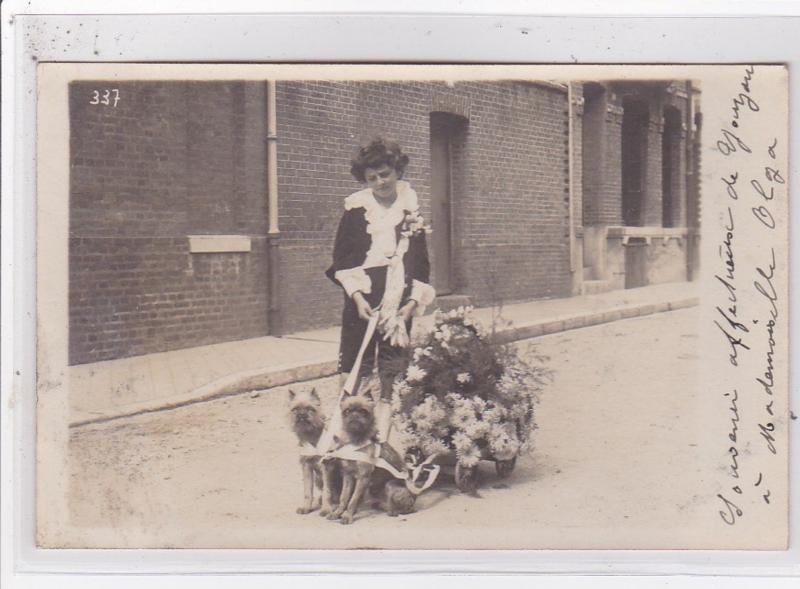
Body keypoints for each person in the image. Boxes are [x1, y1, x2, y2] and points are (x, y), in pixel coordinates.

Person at [325, 138, 436, 443]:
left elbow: (421, 262)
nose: (380, 182)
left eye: (385, 174)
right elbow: (343, 258)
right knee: (354, 362)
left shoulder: (410, 209)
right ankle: (345, 438)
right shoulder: (356, 210)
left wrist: (411, 305)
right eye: (372, 178)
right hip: (363, 296)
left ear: (397, 170)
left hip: (398, 300)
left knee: (391, 365)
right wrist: (358, 297)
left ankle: (385, 439)